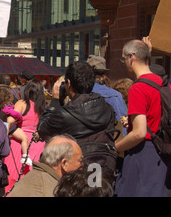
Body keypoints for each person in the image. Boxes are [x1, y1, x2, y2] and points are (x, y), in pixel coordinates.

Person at [37, 61, 118, 182]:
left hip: (77, 172)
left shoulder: (64, 114)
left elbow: (42, 129)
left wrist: (54, 101)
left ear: (68, 83)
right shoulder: (106, 108)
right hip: (103, 170)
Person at [115, 39, 171, 197]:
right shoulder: (164, 84)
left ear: (131, 58)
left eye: (124, 58)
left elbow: (139, 133)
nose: (124, 62)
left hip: (143, 154)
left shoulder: (138, 88)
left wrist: (116, 147)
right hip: (162, 152)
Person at [5, 78, 47, 193]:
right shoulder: (42, 107)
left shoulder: (22, 103)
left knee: (13, 178)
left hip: (19, 143)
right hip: (37, 144)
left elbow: (10, 121)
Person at [9, 135, 83, 197]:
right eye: (80, 161)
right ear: (64, 163)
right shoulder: (51, 190)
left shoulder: (37, 176)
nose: (82, 165)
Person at [86, 55, 128, 130]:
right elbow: (122, 125)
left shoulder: (81, 93)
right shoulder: (115, 95)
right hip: (110, 139)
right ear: (104, 74)